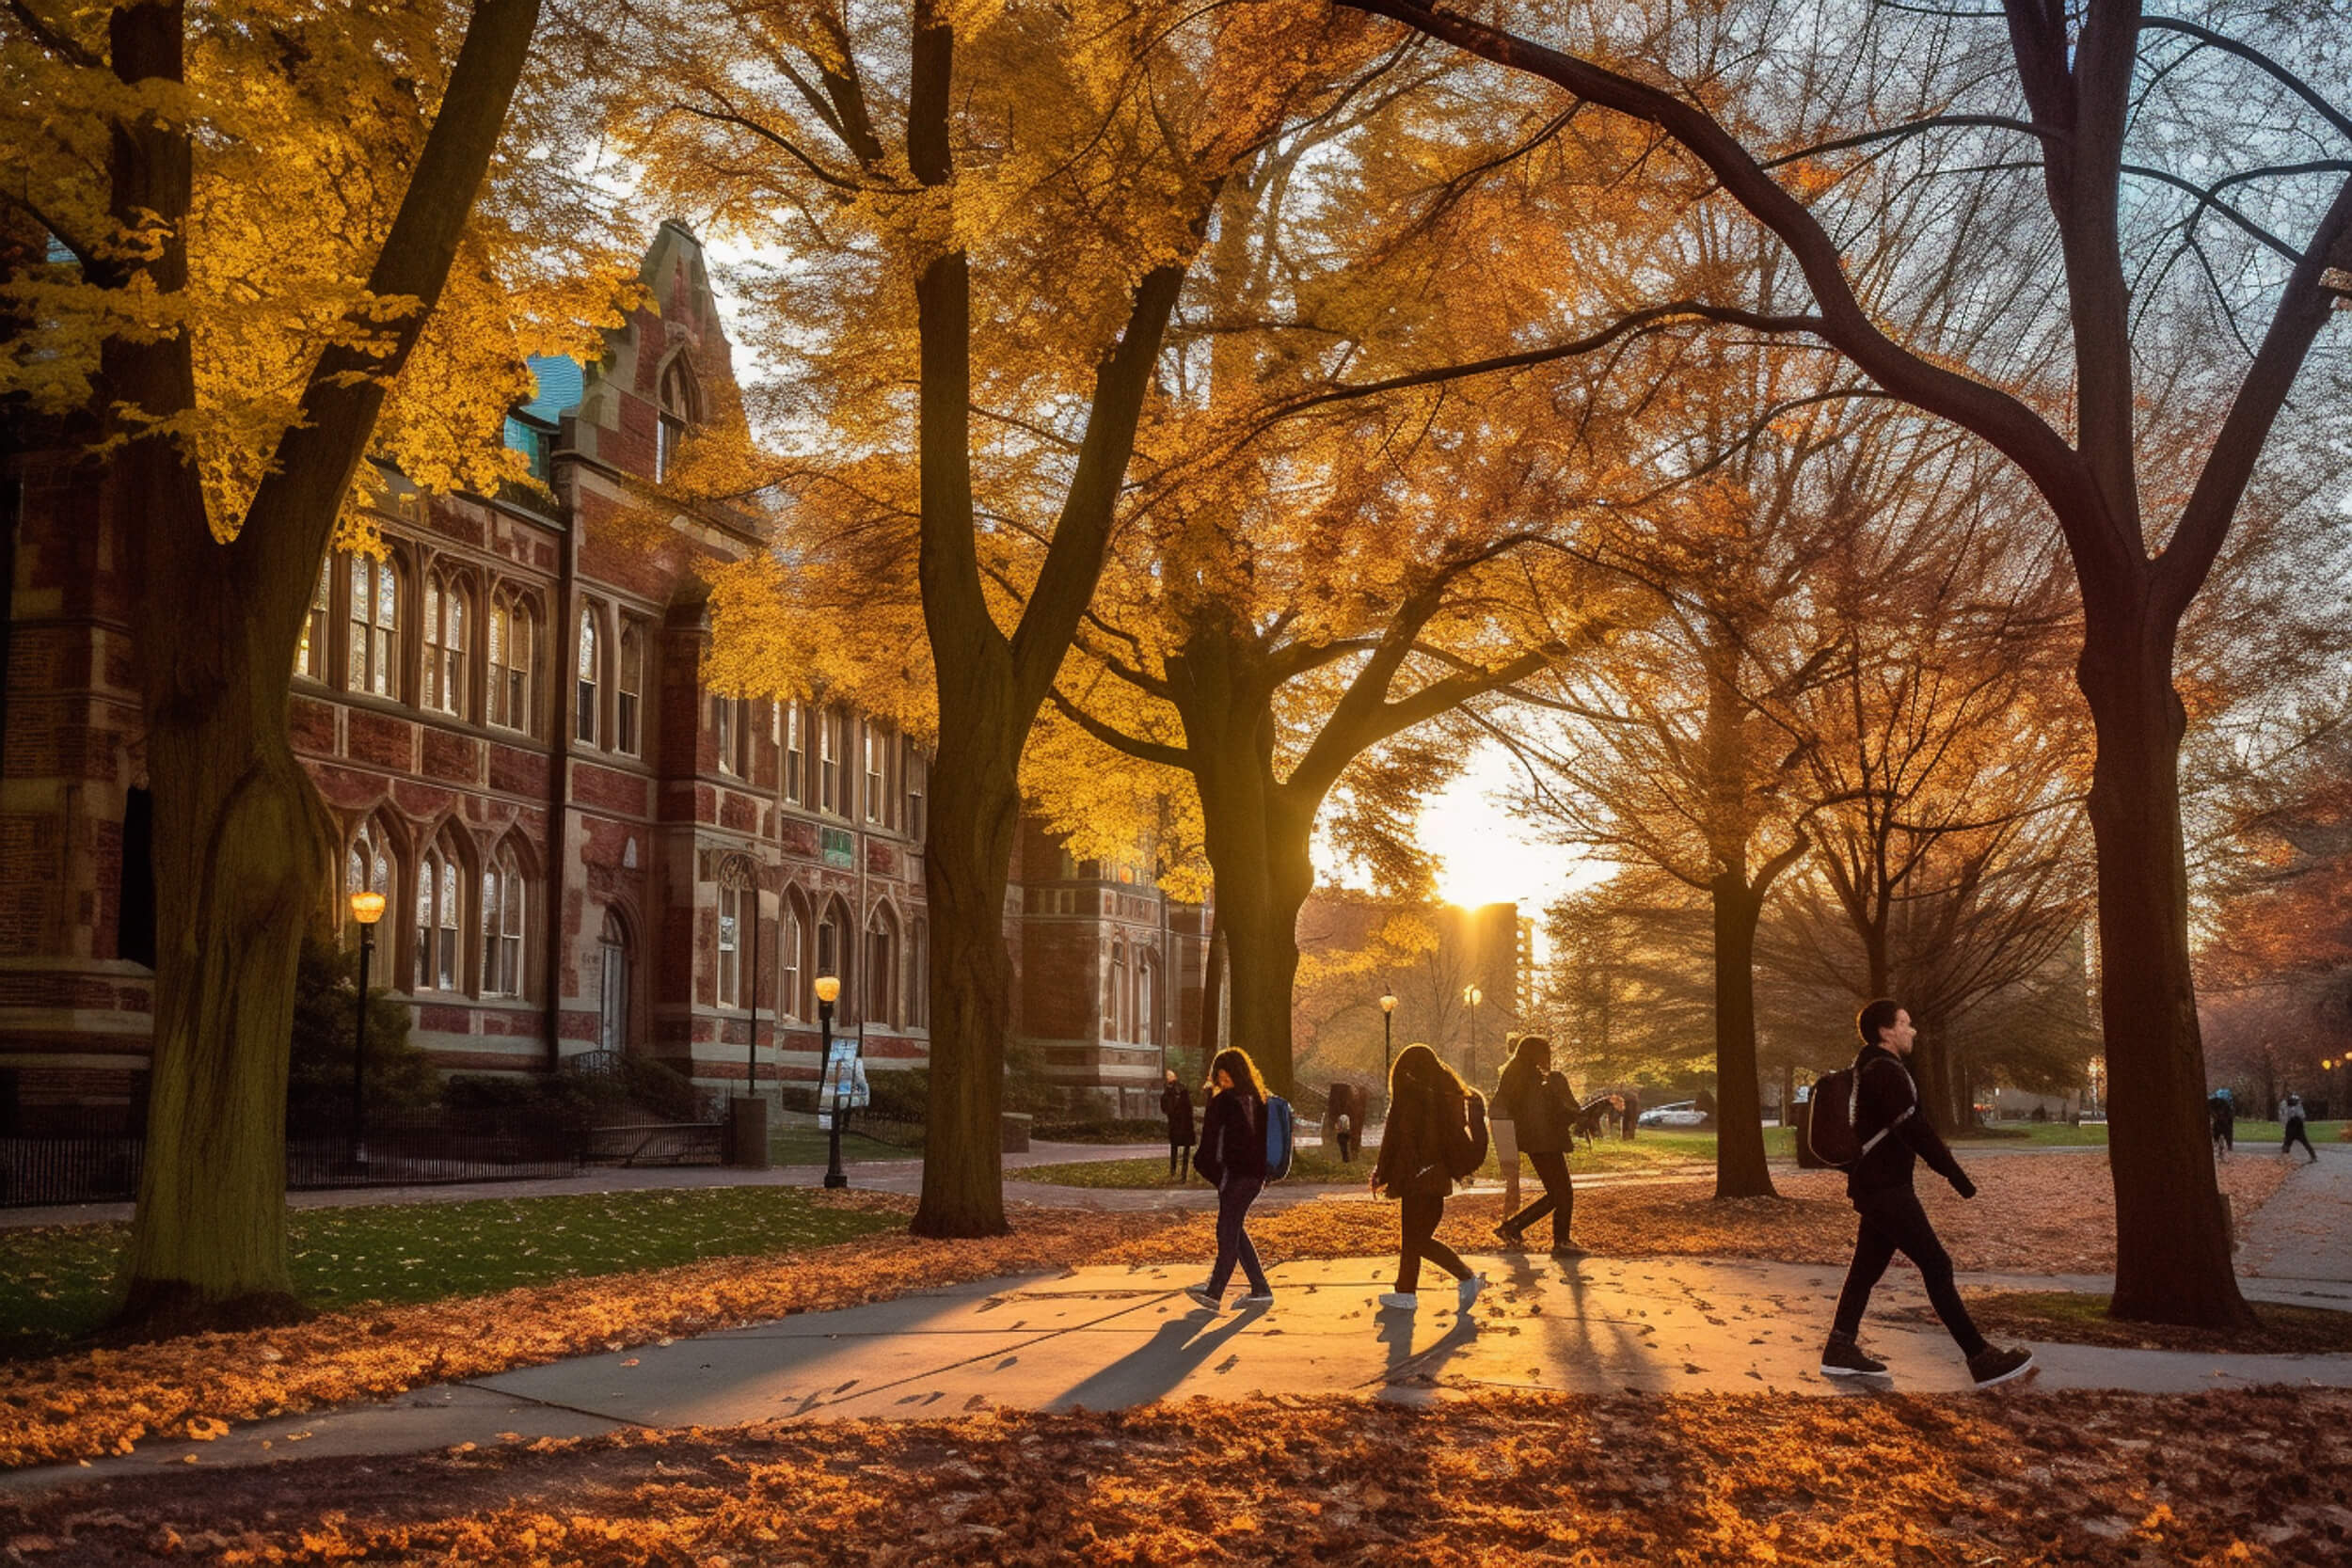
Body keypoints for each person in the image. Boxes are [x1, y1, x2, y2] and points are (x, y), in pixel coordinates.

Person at [1822, 998, 2035, 1387]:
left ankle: (1840, 1347)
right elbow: (1914, 1129)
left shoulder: (1869, 1068)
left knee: (1865, 1269)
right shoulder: (1884, 1071)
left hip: (1875, 1186)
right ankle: (1980, 1357)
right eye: (1906, 1023)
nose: (1913, 1030)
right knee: (1937, 1266)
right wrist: (1956, 1176)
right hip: (1886, 1189)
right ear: (1887, 1032)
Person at [1370, 1042, 1487, 1312]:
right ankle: (1405, 1290)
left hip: (1416, 1176)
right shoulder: (1446, 1095)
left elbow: (1398, 1139)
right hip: (1436, 1176)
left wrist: (1384, 1172)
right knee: (1414, 1237)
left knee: (1417, 1239)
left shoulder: (1411, 1098)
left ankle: (1466, 1277)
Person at [1185, 1049, 1275, 1310]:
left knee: (1226, 1232)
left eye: (1223, 1076)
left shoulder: (1223, 1102)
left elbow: (1209, 1143)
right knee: (1234, 1229)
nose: (1222, 1081)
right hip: (1256, 1175)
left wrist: (1208, 1170)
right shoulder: (1260, 1099)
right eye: (1219, 1077)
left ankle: (1214, 1293)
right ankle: (1260, 1288)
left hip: (1234, 1175)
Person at [1491, 1036, 1585, 1258]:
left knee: (1558, 1194)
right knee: (1562, 1193)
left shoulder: (1520, 1074)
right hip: (1544, 1142)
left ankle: (1516, 1228)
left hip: (1538, 1141)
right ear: (1535, 1054)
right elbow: (1542, 1113)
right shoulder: (1531, 1078)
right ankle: (1558, 1241)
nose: (1548, 1057)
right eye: (1545, 1053)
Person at [1161, 1069, 1196, 1180]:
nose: (1168, 1076)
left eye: (1170, 1074)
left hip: (1182, 1124)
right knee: (1175, 1147)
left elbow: (1186, 1107)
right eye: (1167, 1075)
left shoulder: (1180, 1089)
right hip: (1177, 1123)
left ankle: (1182, 1174)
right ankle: (1174, 1171)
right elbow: (1165, 1105)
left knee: (1183, 1149)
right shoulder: (1169, 1090)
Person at [2280, 1093, 2318, 1164]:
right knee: (2289, 1143)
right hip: (2295, 1128)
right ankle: (2313, 1157)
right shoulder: (2294, 1107)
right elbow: (2302, 1117)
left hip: (2294, 1128)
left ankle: (2284, 1159)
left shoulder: (2290, 1107)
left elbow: (2286, 1117)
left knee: (2288, 1143)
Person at [2208, 1092, 2234, 1160]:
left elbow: (2226, 1116)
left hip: (2225, 1120)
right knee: (2219, 1134)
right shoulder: (2212, 1103)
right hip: (2221, 1120)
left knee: (2225, 1133)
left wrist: (2218, 1117)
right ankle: (2221, 1150)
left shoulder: (2223, 1104)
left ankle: (2225, 1148)